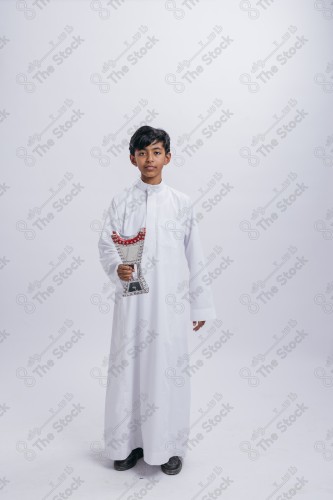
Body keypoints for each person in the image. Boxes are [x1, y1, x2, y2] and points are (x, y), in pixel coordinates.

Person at [98, 125, 217, 475]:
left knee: (167, 371)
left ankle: (169, 445)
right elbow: (107, 242)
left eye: (156, 152)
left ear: (168, 156)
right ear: (132, 158)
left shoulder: (181, 203)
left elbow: (196, 255)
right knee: (129, 371)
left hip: (168, 304)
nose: (149, 159)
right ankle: (127, 443)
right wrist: (117, 266)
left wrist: (200, 304)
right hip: (132, 303)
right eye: (142, 153)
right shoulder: (122, 201)